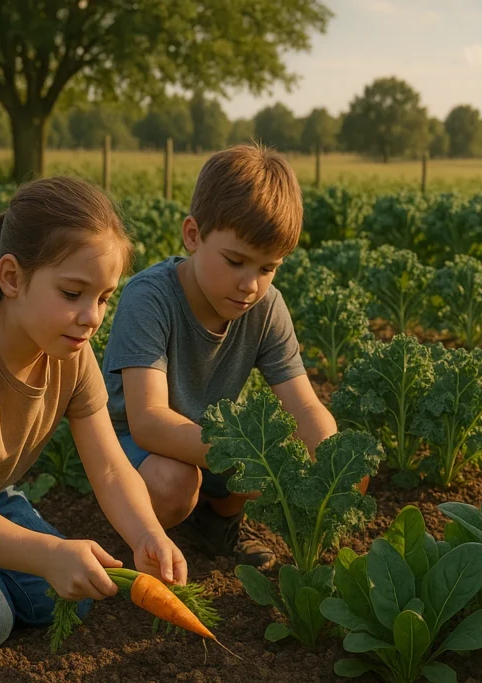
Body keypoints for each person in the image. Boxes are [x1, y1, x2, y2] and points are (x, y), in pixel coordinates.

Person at [0, 177, 186, 653]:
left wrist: (147, 533)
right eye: (73, 293)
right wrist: (49, 553)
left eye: (103, 297)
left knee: (67, 599)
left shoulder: (71, 353)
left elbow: (112, 468)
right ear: (11, 278)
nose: (91, 316)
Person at [103, 143, 348, 570]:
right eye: (236, 261)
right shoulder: (151, 298)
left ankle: (216, 523)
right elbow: (148, 422)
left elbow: (305, 405)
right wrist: (253, 456)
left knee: (280, 451)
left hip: (207, 441)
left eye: (267, 268)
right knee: (173, 483)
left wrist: (331, 462)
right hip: (132, 446)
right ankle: (136, 529)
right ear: (193, 235)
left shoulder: (267, 308)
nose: (250, 285)